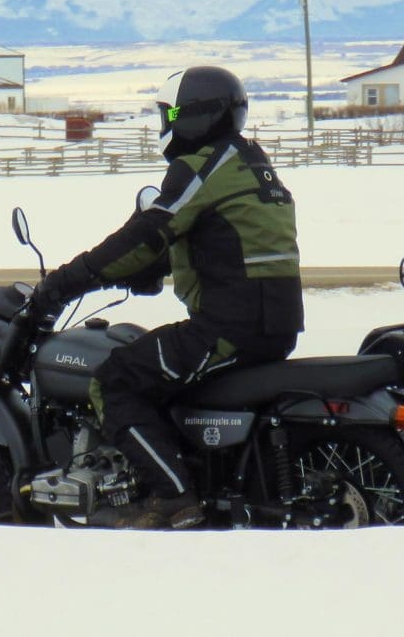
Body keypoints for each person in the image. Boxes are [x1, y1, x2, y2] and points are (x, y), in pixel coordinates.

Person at [34, 66, 304, 529]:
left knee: (114, 379)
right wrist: (154, 269)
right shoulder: (250, 161)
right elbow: (216, 238)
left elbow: (147, 232)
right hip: (271, 326)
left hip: (227, 329)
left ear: (195, 114)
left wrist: (65, 280)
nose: (167, 124)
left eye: (171, 113)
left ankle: (173, 498)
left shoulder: (203, 166)